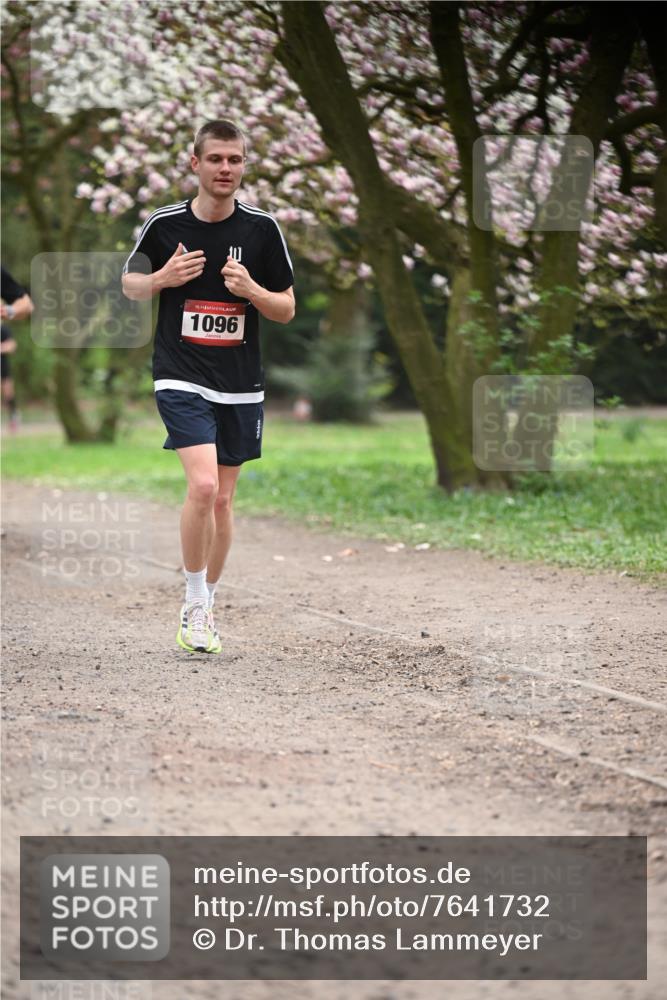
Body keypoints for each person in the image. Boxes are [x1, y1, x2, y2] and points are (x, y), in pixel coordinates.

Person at [122, 119, 295, 654]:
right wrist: (160, 281)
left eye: (235, 160)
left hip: (240, 382)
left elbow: (286, 308)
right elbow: (129, 284)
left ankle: (209, 602)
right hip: (180, 373)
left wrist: (253, 290)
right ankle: (193, 603)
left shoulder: (262, 230)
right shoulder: (164, 224)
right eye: (216, 158)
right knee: (201, 487)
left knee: (222, 500)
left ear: (244, 166)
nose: (226, 169)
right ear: (194, 163)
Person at [1, 265, 34, 432]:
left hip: (2, 367)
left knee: (7, 391)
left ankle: (13, 416)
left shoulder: (2, 329)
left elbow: (27, 305)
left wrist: (10, 310)